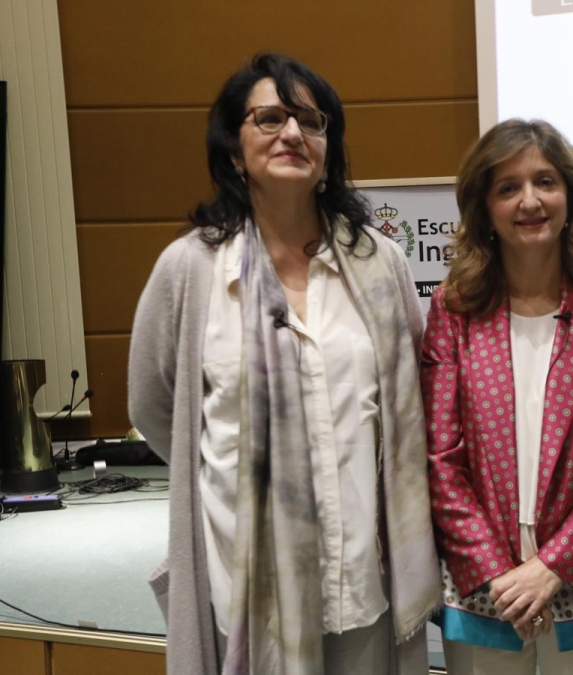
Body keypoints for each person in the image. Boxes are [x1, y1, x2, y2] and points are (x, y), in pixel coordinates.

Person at [128, 53, 440, 675]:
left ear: (329, 149)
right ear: (234, 151)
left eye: (311, 121)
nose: (293, 134)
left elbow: (415, 399)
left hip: (365, 579)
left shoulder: (380, 263)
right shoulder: (191, 270)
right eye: (269, 118)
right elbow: (156, 407)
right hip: (250, 587)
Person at [420, 118, 573, 674]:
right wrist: (500, 573)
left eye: (545, 182)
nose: (530, 201)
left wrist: (552, 567)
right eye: (508, 187)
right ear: (485, 208)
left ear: (571, 199)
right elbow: (439, 458)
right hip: (486, 583)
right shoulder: (453, 311)